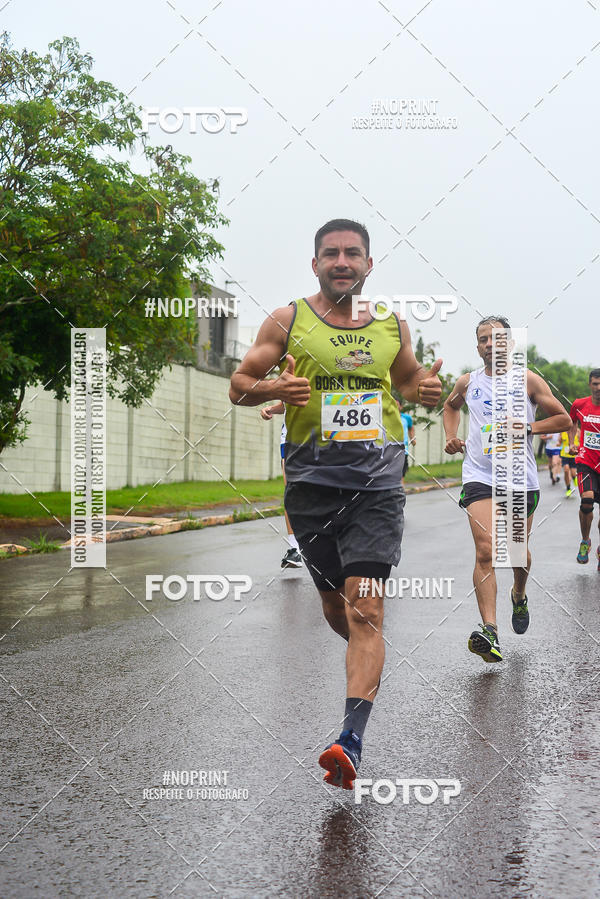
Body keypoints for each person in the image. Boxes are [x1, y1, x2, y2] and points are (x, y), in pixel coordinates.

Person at [229, 218, 442, 788]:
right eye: (331, 254)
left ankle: (350, 739)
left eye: (352, 253)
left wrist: (423, 389)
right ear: (316, 264)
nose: (342, 262)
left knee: (365, 610)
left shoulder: (392, 324)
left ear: (369, 264)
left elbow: (408, 382)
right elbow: (239, 384)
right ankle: (368, 656)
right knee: (335, 610)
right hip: (311, 488)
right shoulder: (287, 319)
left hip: (377, 488)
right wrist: (274, 388)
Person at [443, 316, 571, 663]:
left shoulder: (528, 380)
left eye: (496, 339)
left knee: (517, 555)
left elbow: (563, 419)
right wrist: (451, 436)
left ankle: (519, 593)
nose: (489, 344)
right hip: (479, 475)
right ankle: (490, 631)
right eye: (483, 339)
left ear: (510, 345)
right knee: (486, 550)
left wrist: (527, 427)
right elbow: (450, 406)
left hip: (519, 478)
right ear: (478, 347)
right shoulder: (468, 382)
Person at [260, 401, 302, 568]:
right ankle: (294, 549)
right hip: (290, 438)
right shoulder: (290, 380)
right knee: (291, 492)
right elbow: (288, 401)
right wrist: (271, 409)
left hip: (323, 436)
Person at [568, 369, 600, 567]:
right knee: (587, 501)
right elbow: (571, 421)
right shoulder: (579, 405)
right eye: (595, 383)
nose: (598, 388)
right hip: (586, 461)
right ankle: (585, 541)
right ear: (590, 385)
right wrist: (572, 442)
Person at [396, 399, 416, 486]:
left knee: (401, 472)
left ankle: (401, 489)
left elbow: (411, 428)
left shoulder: (406, 418)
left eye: (396, 405)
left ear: (401, 407)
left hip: (403, 449)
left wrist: (413, 439)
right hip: (389, 449)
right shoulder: (386, 417)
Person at [559, 429, 578, 497]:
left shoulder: (577, 431)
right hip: (565, 455)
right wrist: (558, 443)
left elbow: (581, 442)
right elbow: (559, 442)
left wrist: (574, 446)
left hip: (573, 455)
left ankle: (574, 478)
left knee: (573, 473)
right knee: (566, 470)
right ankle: (568, 488)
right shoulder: (562, 432)